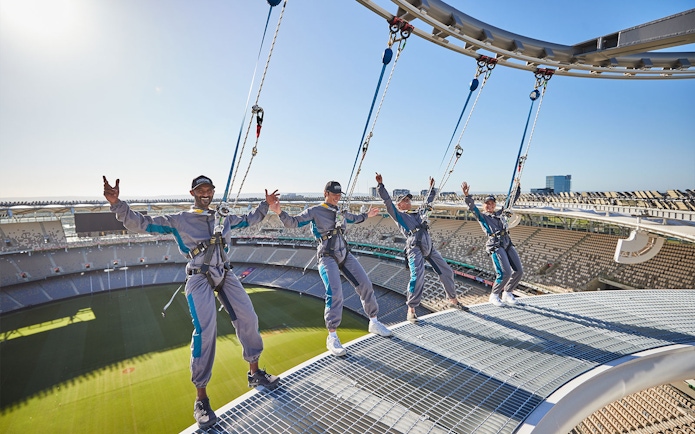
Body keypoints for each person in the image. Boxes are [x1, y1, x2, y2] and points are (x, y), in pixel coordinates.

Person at [103, 175, 281, 430]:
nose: (205, 193)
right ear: (193, 192)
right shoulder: (180, 219)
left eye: (209, 189)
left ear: (213, 192)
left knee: (248, 317)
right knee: (206, 332)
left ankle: (254, 373)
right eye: (201, 190)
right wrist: (117, 203)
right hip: (198, 276)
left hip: (225, 272)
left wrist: (265, 205)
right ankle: (201, 399)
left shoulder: (222, 216)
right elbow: (142, 223)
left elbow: (250, 219)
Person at [268, 180, 392, 357]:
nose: (337, 198)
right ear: (325, 193)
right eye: (334, 195)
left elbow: (354, 218)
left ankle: (374, 321)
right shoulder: (315, 211)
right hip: (327, 256)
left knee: (365, 284)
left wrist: (367, 215)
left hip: (344, 253)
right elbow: (293, 222)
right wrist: (279, 211)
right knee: (335, 292)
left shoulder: (340, 211)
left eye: (339, 196)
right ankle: (332, 337)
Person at [375, 173, 467, 323]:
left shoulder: (418, 213)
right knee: (417, 276)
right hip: (414, 247)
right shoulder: (399, 215)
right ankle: (411, 309)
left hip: (428, 245)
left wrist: (431, 188)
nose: (408, 201)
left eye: (409, 199)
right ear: (399, 205)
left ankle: (453, 300)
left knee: (447, 271)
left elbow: (428, 201)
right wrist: (380, 186)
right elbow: (387, 203)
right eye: (405, 200)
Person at [461, 181, 523, 307]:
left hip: (506, 242)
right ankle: (494, 295)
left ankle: (507, 292)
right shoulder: (483, 217)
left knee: (519, 271)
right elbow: (472, 208)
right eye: (487, 204)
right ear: (484, 206)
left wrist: (517, 188)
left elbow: (510, 201)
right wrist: (467, 196)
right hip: (495, 244)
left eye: (492, 203)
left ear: (495, 204)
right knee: (505, 272)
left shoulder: (501, 214)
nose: (490, 205)